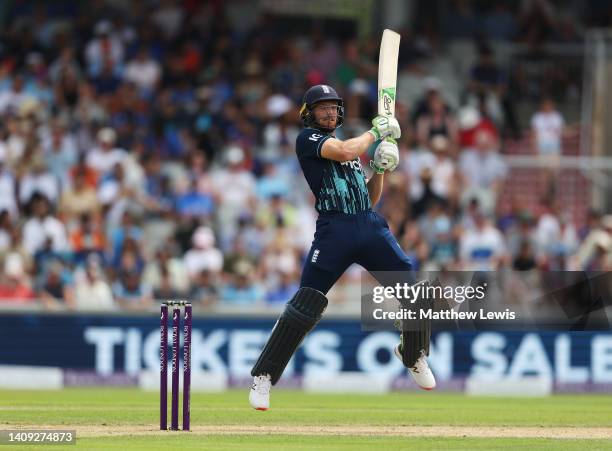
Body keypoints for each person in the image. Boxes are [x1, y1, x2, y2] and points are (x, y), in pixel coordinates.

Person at [249, 85, 436, 411]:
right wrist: (376, 131)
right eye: (321, 108)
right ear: (308, 113)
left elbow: (368, 197)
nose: (329, 112)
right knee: (305, 304)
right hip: (334, 230)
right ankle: (264, 375)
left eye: (333, 107)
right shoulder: (308, 139)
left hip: (368, 224)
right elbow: (348, 151)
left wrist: (379, 169)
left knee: (415, 291)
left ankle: (413, 353)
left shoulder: (345, 145)